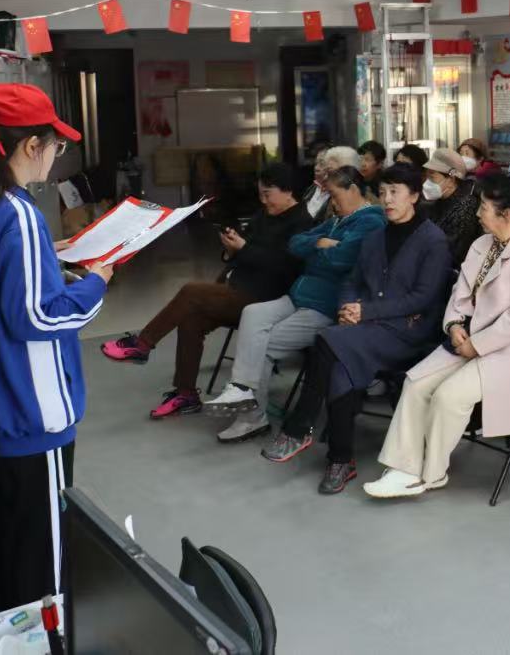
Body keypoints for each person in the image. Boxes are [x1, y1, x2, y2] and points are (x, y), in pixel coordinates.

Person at [0, 83, 111, 612]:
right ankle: (47, 638)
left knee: (12, 537)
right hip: (32, 413)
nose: (56, 155)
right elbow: (39, 315)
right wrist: (98, 281)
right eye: (54, 145)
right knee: (46, 557)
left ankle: (16, 628)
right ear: (29, 146)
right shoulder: (17, 213)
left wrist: (49, 254)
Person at [362, 173, 510, 498]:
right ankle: (403, 467)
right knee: (415, 383)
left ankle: (432, 473)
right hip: (469, 338)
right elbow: (460, 291)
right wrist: (454, 324)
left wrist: (476, 345)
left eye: (484, 207)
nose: (477, 213)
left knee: (449, 397)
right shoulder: (483, 243)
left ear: (506, 214)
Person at [261, 163, 454, 493]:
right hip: (367, 328)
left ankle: (300, 429)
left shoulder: (432, 240)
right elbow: (352, 280)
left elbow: (422, 298)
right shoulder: (375, 235)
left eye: (395, 192)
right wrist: (346, 308)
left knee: (327, 341)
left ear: (414, 196)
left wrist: (365, 312)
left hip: (408, 331)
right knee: (340, 365)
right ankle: (340, 460)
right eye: (382, 192)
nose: (387, 199)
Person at [101, 163, 314, 418]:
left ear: (288, 191)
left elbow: (284, 268)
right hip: (239, 287)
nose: (263, 201)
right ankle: (186, 394)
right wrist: (232, 249)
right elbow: (246, 253)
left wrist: (244, 249)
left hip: (265, 298)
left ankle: (142, 344)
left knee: (191, 292)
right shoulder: (264, 215)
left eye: (268, 194)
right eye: (260, 195)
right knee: (191, 317)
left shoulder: (302, 223)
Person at [202, 166, 385, 441]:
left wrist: (320, 250)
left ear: (354, 190)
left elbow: (342, 260)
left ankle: (252, 417)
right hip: (299, 296)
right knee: (252, 313)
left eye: (335, 195)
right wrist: (321, 243)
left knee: (262, 344)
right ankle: (240, 388)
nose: (332, 203)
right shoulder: (337, 220)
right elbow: (295, 244)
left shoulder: (370, 222)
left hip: (324, 306)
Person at [422, 147, 481, 265]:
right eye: (427, 177)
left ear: (451, 180)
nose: (427, 183)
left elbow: (452, 252)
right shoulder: (439, 201)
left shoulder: (466, 207)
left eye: (432, 178)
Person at [302, 146, 360, 221]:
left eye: (322, 164)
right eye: (316, 163)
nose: (316, 168)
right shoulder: (312, 188)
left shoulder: (341, 193)